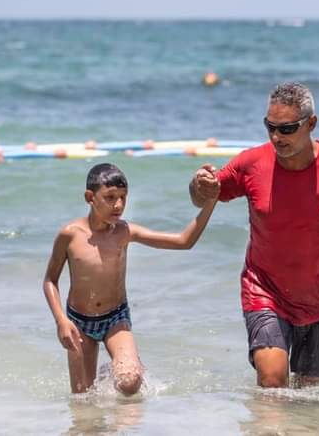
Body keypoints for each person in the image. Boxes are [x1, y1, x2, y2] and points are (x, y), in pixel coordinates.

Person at [189, 82, 319, 388]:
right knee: (272, 380)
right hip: (263, 291)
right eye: (270, 127)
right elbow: (204, 196)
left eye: (286, 129)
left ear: (311, 124)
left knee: (312, 395)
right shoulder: (251, 163)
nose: (276, 137)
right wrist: (199, 185)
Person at [43, 163, 218, 395]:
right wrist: (61, 321)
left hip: (115, 318)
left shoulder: (124, 232)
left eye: (123, 198)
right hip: (78, 322)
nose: (118, 205)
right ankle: (107, 373)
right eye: (110, 197)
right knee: (82, 397)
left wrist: (211, 202)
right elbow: (50, 280)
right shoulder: (70, 235)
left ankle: (119, 367)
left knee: (129, 383)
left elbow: (183, 241)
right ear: (90, 197)